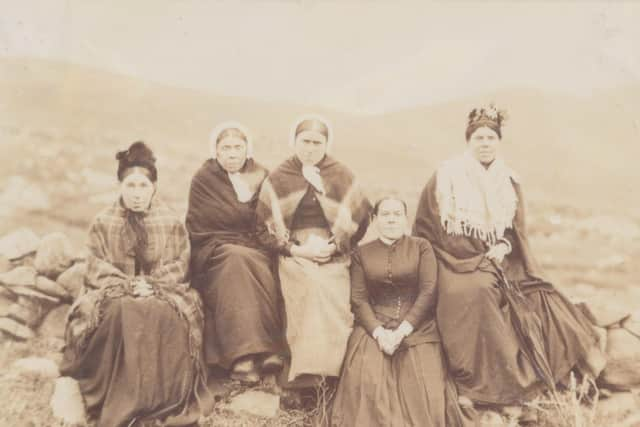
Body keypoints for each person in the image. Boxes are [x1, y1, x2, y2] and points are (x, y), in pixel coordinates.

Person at [412, 105, 605, 412]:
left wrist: (503, 244)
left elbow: (517, 230)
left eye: (491, 137)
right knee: (477, 292)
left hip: (502, 260)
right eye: (479, 137)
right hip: (453, 260)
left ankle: (546, 377)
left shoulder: (509, 180)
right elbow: (428, 227)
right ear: (468, 141)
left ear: (498, 142)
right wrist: (473, 255)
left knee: (544, 298)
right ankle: (488, 385)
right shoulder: (446, 176)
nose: (485, 143)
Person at [60, 141, 206, 427]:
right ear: (120, 187)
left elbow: (180, 263)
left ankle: (160, 399)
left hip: (162, 293)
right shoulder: (103, 222)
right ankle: (115, 397)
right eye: (130, 186)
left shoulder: (170, 222)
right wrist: (125, 286)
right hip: (113, 293)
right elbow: (94, 264)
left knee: (163, 315)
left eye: (143, 186)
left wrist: (153, 285)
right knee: (122, 312)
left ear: (154, 187)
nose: (137, 194)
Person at [331, 197, 473, 427]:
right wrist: (379, 333)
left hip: (417, 327)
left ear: (405, 219)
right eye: (385, 214)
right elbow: (358, 299)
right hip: (373, 327)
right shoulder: (361, 253)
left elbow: (428, 291)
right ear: (375, 220)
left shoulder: (421, 247)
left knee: (425, 389)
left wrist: (401, 331)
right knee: (366, 382)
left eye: (397, 214)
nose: (391, 219)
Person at [255, 114, 372, 387]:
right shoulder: (280, 176)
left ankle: (334, 371)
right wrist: (296, 250)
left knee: (335, 292)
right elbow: (262, 227)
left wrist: (335, 246)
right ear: (294, 142)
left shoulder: (340, 173)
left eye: (317, 143)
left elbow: (361, 216)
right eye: (304, 141)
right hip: (294, 251)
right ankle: (307, 374)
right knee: (310, 286)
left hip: (333, 250)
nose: (310, 148)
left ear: (326, 144)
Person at [186, 122, 285, 384]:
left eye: (237, 147)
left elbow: (271, 217)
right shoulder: (204, 178)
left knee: (254, 262)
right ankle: (244, 357)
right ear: (216, 152)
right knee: (235, 260)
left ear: (247, 150)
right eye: (225, 148)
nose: (232, 153)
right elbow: (201, 222)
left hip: (255, 246)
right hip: (214, 248)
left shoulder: (262, 175)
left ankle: (266, 353)